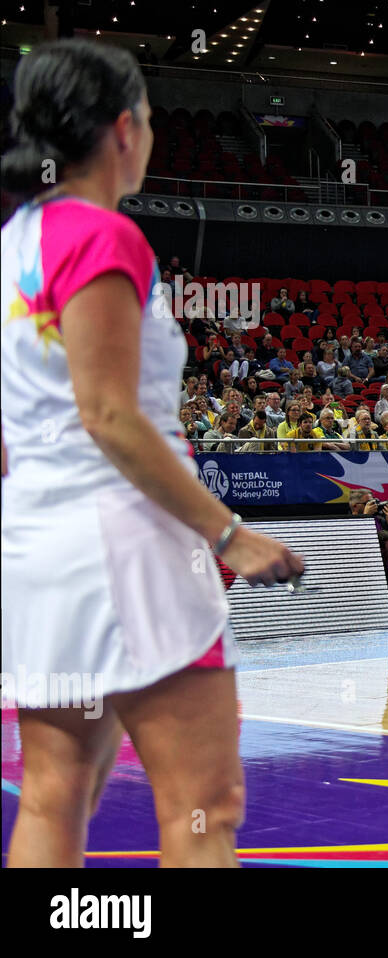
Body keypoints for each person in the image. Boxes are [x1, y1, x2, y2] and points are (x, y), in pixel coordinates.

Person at [0, 40, 302, 868]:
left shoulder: (12, 243)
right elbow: (109, 415)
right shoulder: (103, 235)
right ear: (124, 130)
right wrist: (228, 533)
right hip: (127, 551)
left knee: (55, 800)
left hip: (38, 551)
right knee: (203, 809)